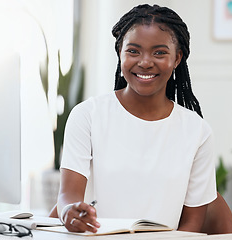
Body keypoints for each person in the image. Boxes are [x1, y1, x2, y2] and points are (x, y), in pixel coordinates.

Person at [56, 4, 217, 233]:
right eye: (133, 51)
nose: (145, 62)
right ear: (120, 52)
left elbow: (192, 224)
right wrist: (69, 212)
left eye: (159, 52)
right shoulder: (88, 116)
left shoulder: (197, 131)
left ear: (177, 58)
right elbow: (67, 196)